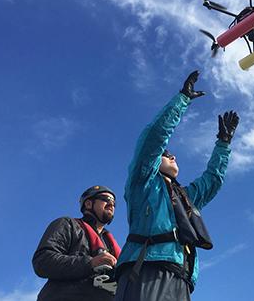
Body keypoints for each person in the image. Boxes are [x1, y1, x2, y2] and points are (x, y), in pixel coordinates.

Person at [114, 70, 239, 301]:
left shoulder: (185, 196)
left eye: (173, 155)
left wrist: (223, 144)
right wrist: (182, 100)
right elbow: (154, 138)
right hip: (147, 268)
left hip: (181, 277)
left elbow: (213, 180)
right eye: (166, 154)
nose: (173, 157)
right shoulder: (143, 183)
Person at [33, 185, 122, 301]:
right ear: (88, 204)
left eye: (114, 203)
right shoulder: (68, 224)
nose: (111, 205)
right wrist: (90, 263)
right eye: (106, 199)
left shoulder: (110, 243)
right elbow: (42, 261)